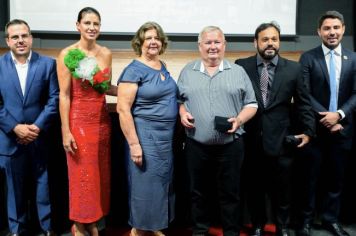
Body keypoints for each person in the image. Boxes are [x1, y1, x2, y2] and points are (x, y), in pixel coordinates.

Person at [235, 22, 315, 236]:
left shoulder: (294, 68)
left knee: (283, 189)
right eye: (265, 39)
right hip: (251, 139)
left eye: (274, 39)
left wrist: (308, 131)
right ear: (256, 42)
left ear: (279, 42)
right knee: (254, 187)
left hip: (282, 139)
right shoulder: (241, 66)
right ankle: (258, 225)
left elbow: (303, 103)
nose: (270, 43)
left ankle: (283, 227)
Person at [177, 25, 258, 236]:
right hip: (196, 144)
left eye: (217, 42)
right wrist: (182, 112)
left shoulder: (238, 72)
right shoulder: (187, 71)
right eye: (208, 42)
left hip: (230, 145)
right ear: (200, 46)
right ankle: (200, 231)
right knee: (197, 193)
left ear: (224, 45)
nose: (213, 47)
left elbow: (252, 104)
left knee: (230, 194)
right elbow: (179, 100)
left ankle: (231, 232)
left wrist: (239, 120)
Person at [57, 7, 117, 236]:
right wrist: (66, 130)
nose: (92, 28)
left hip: (102, 121)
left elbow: (104, 87)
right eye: (88, 23)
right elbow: (64, 95)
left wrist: (131, 91)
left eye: (96, 24)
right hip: (79, 122)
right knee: (82, 175)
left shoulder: (106, 53)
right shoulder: (67, 54)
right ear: (78, 25)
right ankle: (79, 224)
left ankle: (92, 221)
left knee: (98, 175)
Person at [296, 11, 356, 236]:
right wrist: (327, 118)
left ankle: (331, 220)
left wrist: (339, 115)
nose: (332, 32)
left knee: (336, 180)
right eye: (327, 28)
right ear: (319, 32)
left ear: (343, 29)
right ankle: (305, 222)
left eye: (336, 28)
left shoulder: (354, 58)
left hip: (344, 130)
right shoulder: (308, 58)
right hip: (316, 131)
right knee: (309, 180)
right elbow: (304, 93)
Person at [117, 21, 178, 236]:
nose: (153, 42)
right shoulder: (133, 70)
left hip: (165, 138)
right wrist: (134, 144)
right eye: (148, 38)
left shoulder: (162, 66)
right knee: (145, 186)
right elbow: (123, 109)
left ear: (162, 43)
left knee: (161, 184)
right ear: (140, 43)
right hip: (145, 136)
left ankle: (152, 227)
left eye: (156, 38)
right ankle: (138, 230)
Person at [0, 19, 59, 236]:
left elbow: (54, 100)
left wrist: (36, 127)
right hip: (9, 138)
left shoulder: (48, 64)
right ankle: (16, 230)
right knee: (14, 189)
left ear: (31, 38)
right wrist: (15, 127)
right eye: (15, 37)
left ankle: (46, 228)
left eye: (24, 35)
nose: (20, 40)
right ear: (8, 40)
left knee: (43, 185)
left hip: (39, 136)